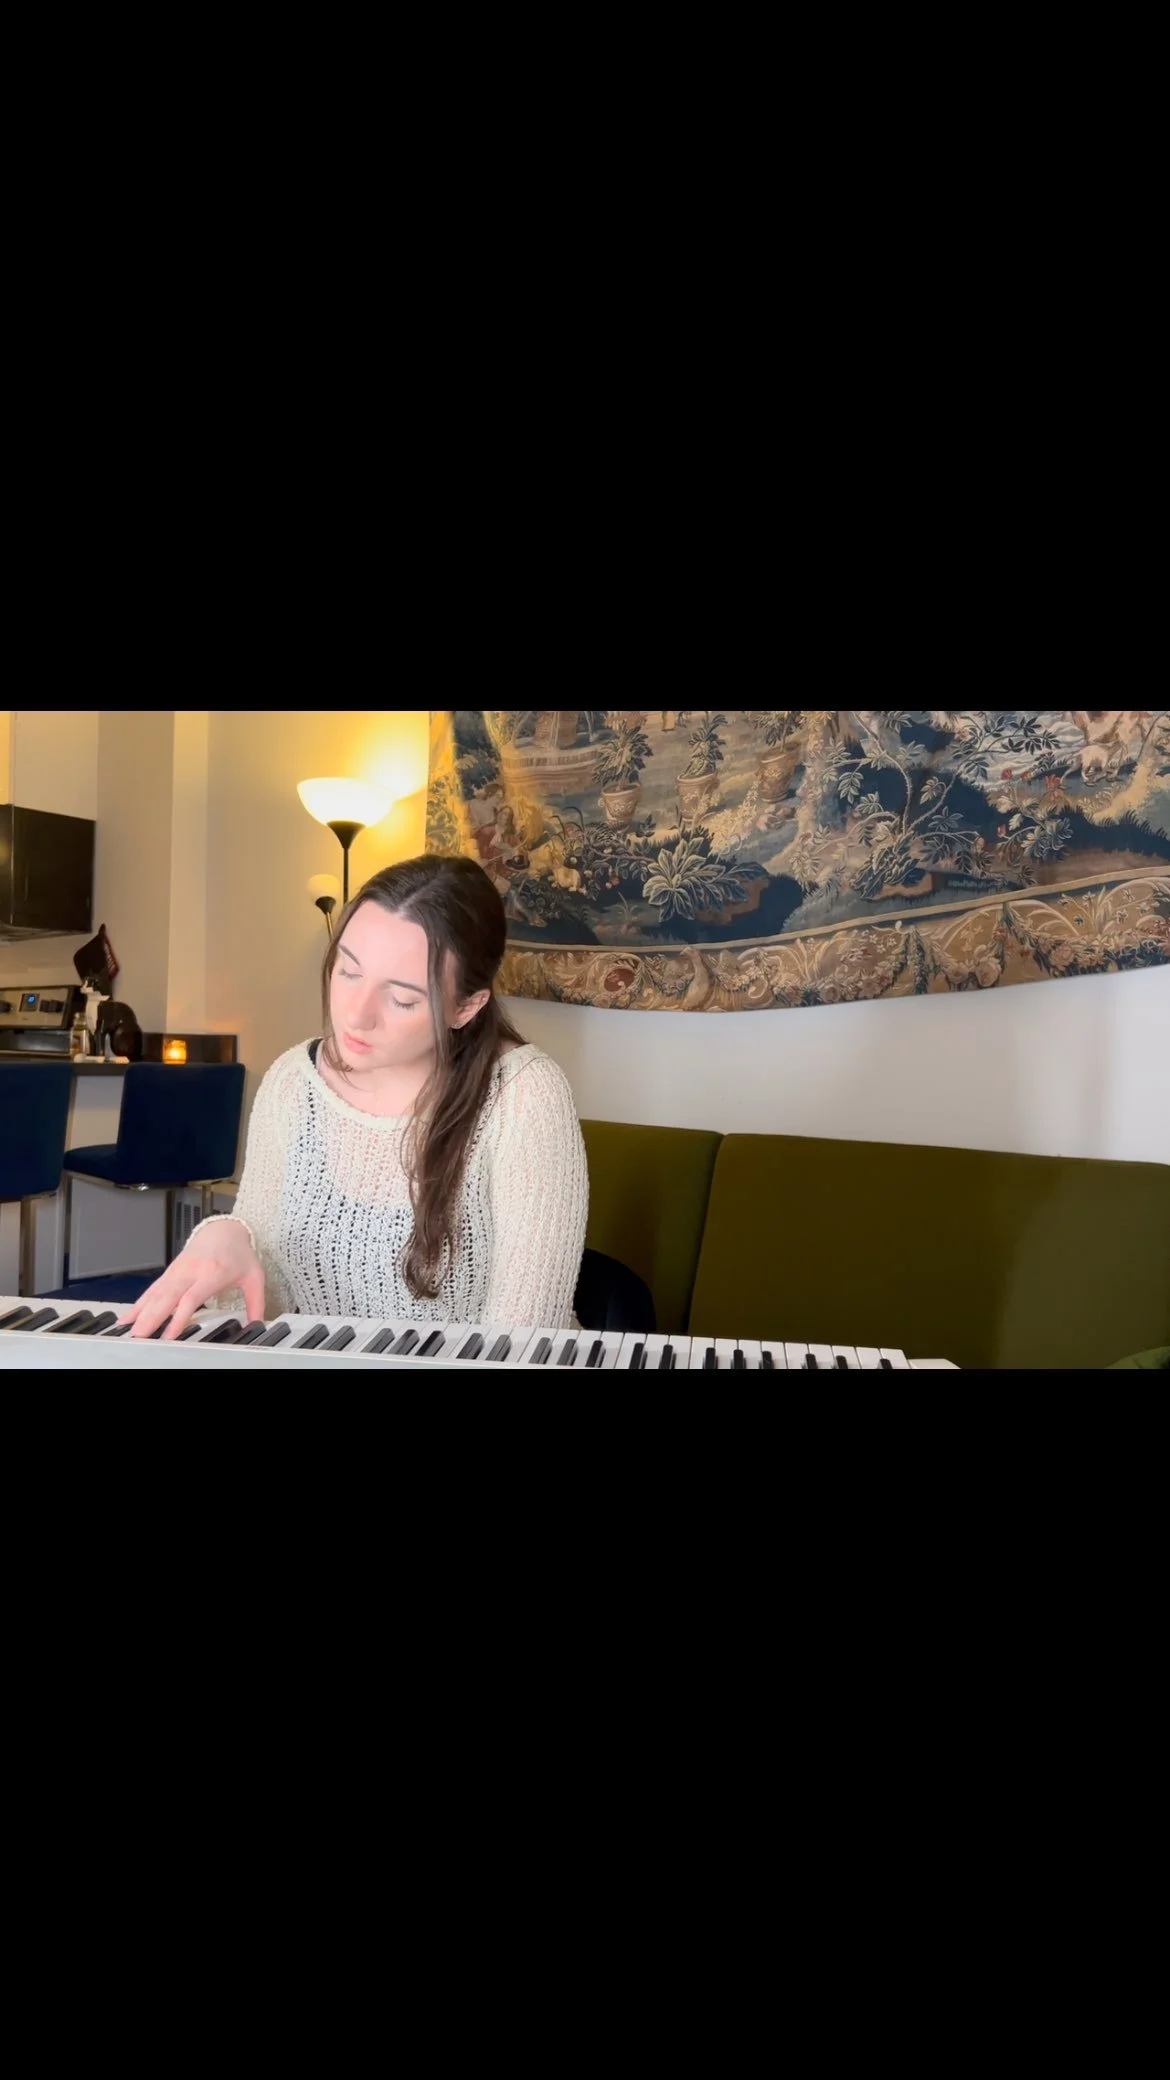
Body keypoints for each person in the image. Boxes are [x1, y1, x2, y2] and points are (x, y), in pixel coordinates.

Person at [123, 853, 589, 1342]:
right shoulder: (294, 1082)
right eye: (348, 971)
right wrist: (230, 1237)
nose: (356, 1016)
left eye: (402, 998)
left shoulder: (524, 1097)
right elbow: (266, 1307)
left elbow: (519, 1346)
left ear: (466, 1007)